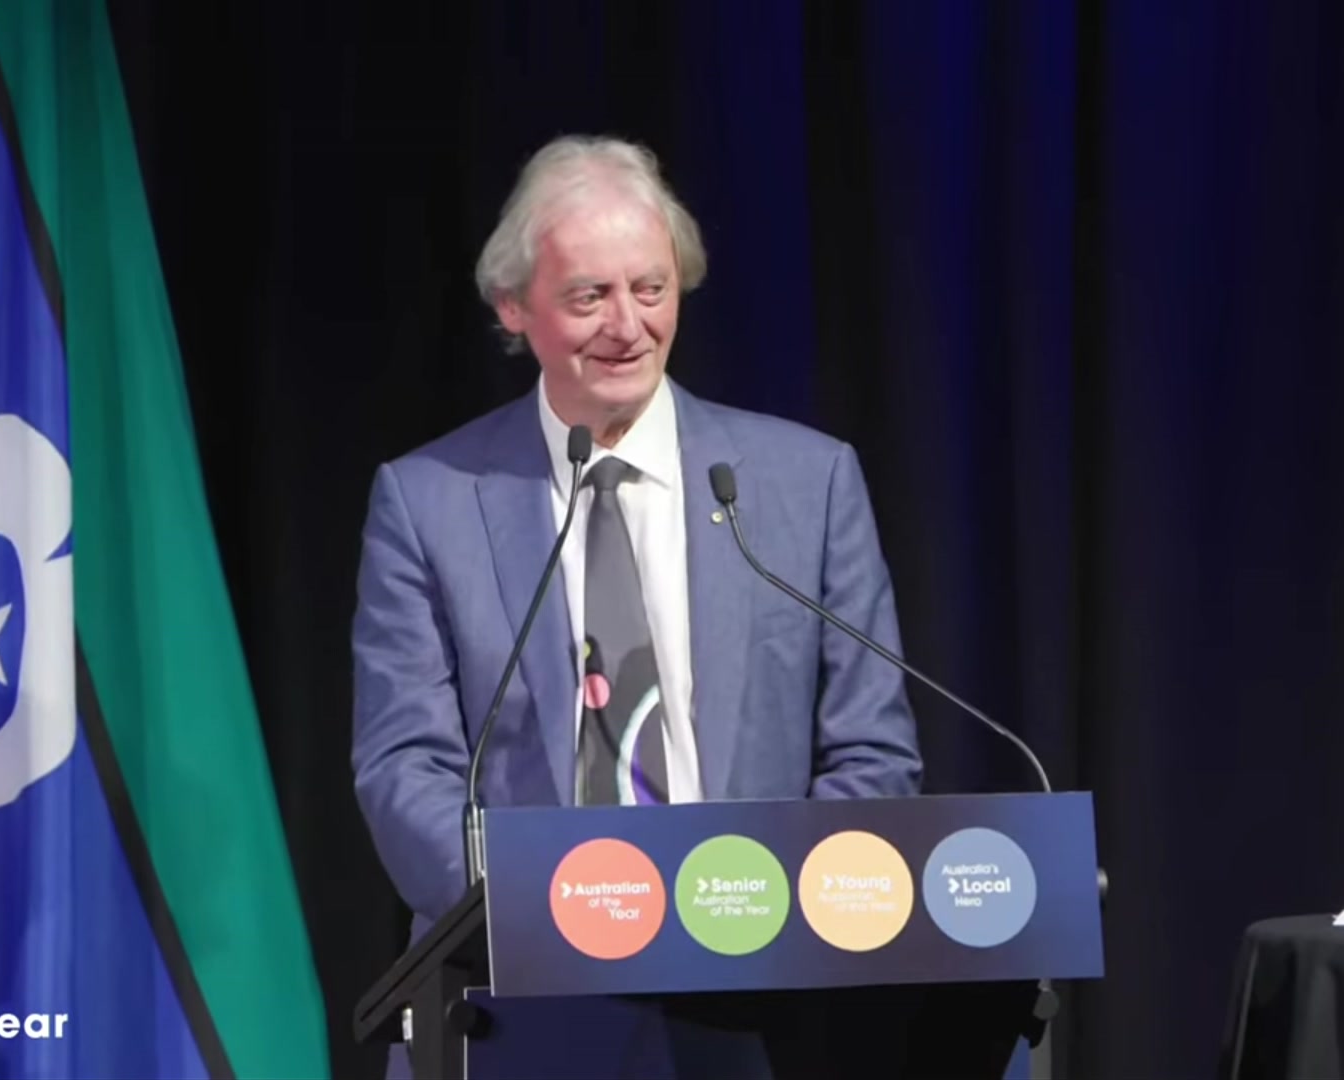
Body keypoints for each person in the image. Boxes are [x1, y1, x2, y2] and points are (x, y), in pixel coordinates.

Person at [350, 135, 922, 1069]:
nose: (627, 325)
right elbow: (403, 767)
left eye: (651, 290)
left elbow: (873, 754)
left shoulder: (803, 483)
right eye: (589, 296)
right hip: (513, 1005)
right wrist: (547, 916)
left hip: (758, 1008)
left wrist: (775, 918)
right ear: (513, 305)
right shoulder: (430, 500)